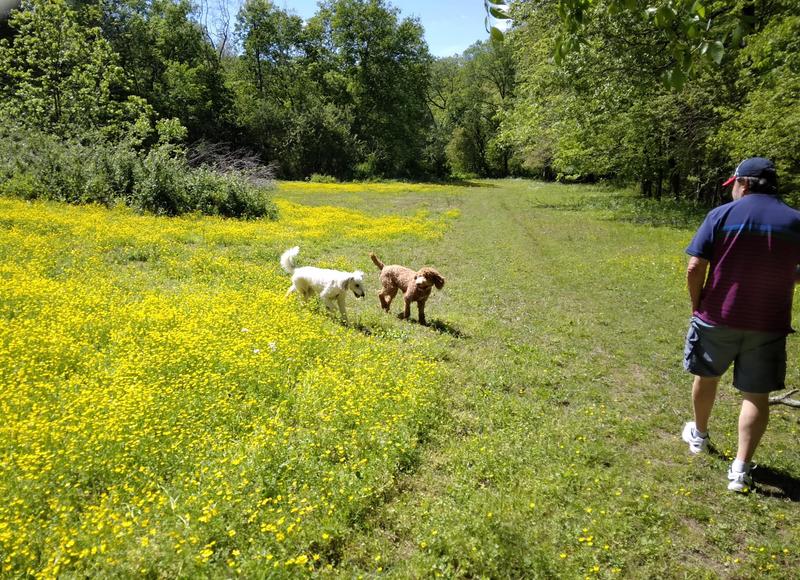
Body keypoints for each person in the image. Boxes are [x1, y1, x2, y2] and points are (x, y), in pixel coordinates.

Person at [681, 157, 800, 492]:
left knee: (706, 377)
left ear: (744, 183)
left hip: (718, 316)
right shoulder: (795, 220)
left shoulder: (721, 215)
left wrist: (697, 303)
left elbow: (694, 266)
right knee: (756, 395)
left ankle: (700, 437)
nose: (732, 190)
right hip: (769, 322)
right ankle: (740, 469)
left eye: (733, 184)